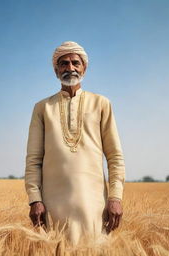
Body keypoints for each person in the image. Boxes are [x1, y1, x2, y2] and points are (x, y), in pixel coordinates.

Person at [24, 41, 125, 245]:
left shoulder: (101, 104)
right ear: (56, 70)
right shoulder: (42, 108)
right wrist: (35, 199)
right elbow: (33, 159)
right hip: (52, 205)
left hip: (94, 204)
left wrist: (115, 197)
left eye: (75, 63)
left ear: (84, 68)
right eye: (63, 63)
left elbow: (115, 156)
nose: (70, 68)